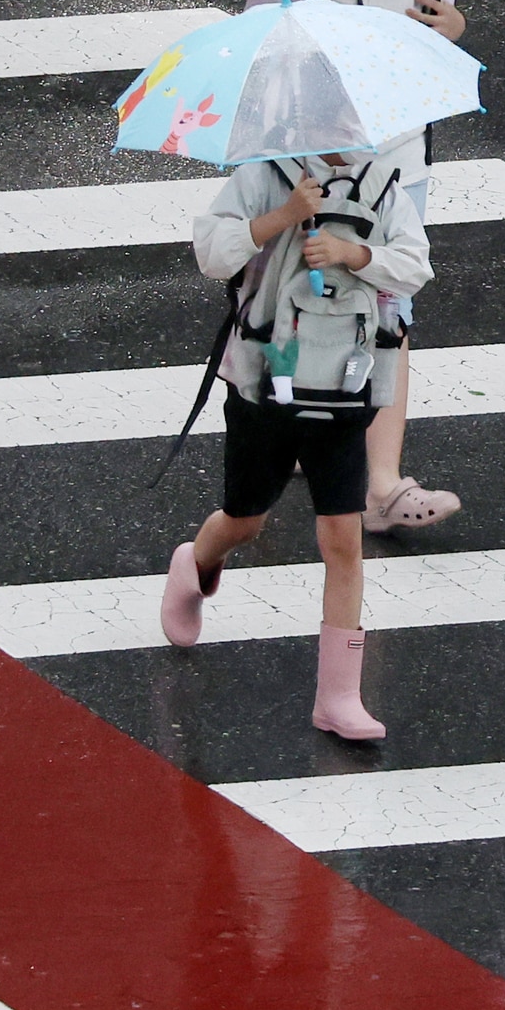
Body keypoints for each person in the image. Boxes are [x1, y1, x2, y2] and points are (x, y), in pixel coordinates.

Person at [159, 152, 432, 740]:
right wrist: (281, 216)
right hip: (264, 385)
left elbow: (414, 267)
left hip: (344, 387)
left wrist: (353, 254)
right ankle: (197, 560)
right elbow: (211, 253)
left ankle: (338, 697)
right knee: (245, 520)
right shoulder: (263, 175)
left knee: (343, 538)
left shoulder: (383, 186)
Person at [247, 0, 466, 534]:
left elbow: (435, 52)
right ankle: (309, 442)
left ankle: (380, 483)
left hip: (401, 166)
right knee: (315, 304)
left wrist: (454, 31)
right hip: (320, 163)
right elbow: (258, 39)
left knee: (391, 316)